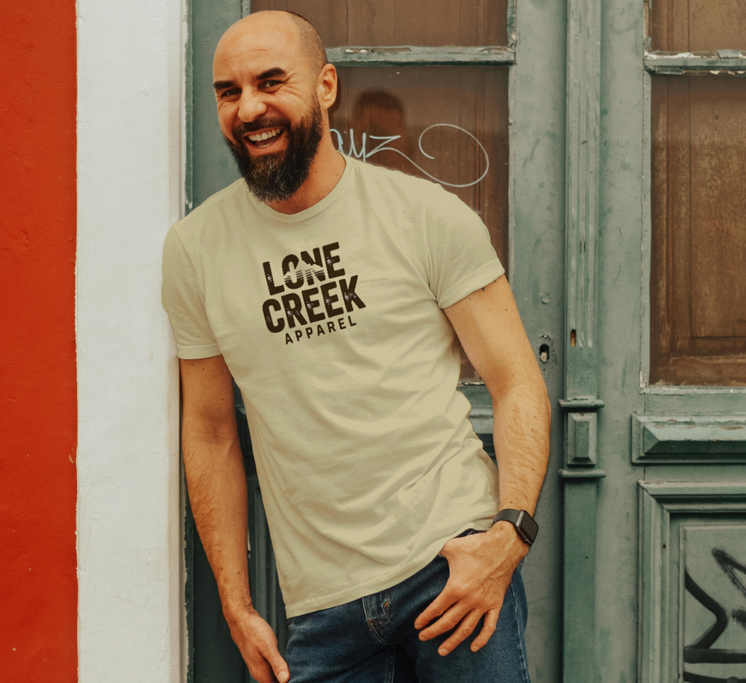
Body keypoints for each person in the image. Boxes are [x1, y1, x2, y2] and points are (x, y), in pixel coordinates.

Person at [162, 10, 550, 683]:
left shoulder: (425, 216)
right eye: (229, 91)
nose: (250, 107)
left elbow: (517, 380)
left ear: (326, 86)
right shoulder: (195, 251)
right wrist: (235, 600)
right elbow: (210, 429)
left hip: (451, 569)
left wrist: (508, 536)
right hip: (323, 605)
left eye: (271, 82)